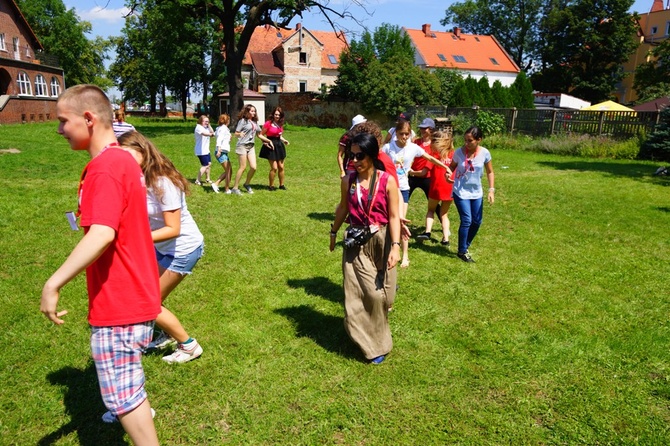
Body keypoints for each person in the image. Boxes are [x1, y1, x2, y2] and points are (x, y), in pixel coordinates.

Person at [41, 84, 160, 445]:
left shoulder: (106, 167)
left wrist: (53, 283)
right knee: (128, 389)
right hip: (135, 293)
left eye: (64, 121)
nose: (60, 129)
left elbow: (102, 233)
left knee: (123, 397)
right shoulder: (123, 159)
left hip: (120, 301)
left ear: (88, 119)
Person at [118, 131, 205, 364]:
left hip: (182, 249)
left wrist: (134, 237)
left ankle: (188, 346)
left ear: (142, 151)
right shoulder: (140, 178)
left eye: (128, 155)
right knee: (147, 293)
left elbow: (172, 228)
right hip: (162, 247)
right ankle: (167, 332)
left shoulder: (163, 182)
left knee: (148, 302)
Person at [329, 132, 401, 365]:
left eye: (359, 156)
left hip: (382, 238)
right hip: (356, 242)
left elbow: (393, 216)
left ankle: (378, 326)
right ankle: (372, 345)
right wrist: (333, 232)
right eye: (351, 156)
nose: (354, 161)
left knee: (386, 298)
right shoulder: (347, 180)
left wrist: (396, 247)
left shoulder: (386, 180)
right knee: (368, 294)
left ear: (372, 156)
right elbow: (342, 208)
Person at [382, 119, 449, 268]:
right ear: (396, 133)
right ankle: (388, 250)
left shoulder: (413, 148)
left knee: (401, 221)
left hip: (403, 188)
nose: (404, 137)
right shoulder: (388, 148)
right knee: (386, 221)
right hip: (388, 188)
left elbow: (430, 158)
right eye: (401, 134)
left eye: (407, 134)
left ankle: (404, 255)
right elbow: (376, 160)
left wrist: (446, 167)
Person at [446, 126, 495, 263]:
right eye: (465, 140)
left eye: (470, 141)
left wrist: (491, 190)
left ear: (479, 140)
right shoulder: (459, 153)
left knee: (477, 221)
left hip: (476, 192)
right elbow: (451, 167)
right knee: (467, 220)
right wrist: (448, 173)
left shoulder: (485, 153)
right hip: (460, 191)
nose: (466, 143)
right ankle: (462, 251)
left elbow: (490, 172)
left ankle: (465, 246)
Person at [418, 131, 455, 245]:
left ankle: (428, 232)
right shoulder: (454, 154)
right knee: (444, 214)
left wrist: (412, 172)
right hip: (450, 188)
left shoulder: (434, 156)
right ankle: (445, 239)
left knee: (431, 210)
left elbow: (424, 172)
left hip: (436, 188)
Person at [231, 104, 273, 195]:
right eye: (252, 111)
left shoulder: (255, 123)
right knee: (243, 167)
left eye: (254, 111)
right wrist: (240, 134)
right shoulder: (243, 121)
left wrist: (268, 140)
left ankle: (247, 184)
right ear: (247, 112)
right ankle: (235, 188)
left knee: (253, 167)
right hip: (242, 145)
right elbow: (236, 133)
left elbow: (259, 135)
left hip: (251, 146)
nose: (254, 113)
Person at [260, 106, 290, 190]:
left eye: (279, 115)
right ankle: (271, 186)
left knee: (281, 167)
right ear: (273, 114)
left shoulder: (280, 124)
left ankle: (281, 185)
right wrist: (266, 142)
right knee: (274, 167)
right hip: (270, 146)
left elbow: (279, 136)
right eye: (276, 114)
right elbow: (261, 135)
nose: (277, 116)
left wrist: (284, 140)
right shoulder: (268, 123)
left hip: (279, 146)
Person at [211, 114, 233, 194]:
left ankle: (218, 185)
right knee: (228, 171)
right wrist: (219, 149)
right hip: (221, 152)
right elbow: (219, 139)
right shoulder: (223, 129)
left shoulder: (220, 128)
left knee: (229, 171)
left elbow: (214, 134)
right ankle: (225, 188)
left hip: (224, 152)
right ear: (227, 120)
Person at [194, 115, 215, 186]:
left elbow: (212, 131)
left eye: (208, 121)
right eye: (205, 121)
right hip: (201, 151)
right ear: (201, 121)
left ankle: (208, 179)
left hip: (206, 150)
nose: (207, 123)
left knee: (209, 164)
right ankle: (197, 180)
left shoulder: (206, 127)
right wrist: (211, 135)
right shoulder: (198, 127)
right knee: (205, 165)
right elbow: (204, 134)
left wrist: (209, 126)